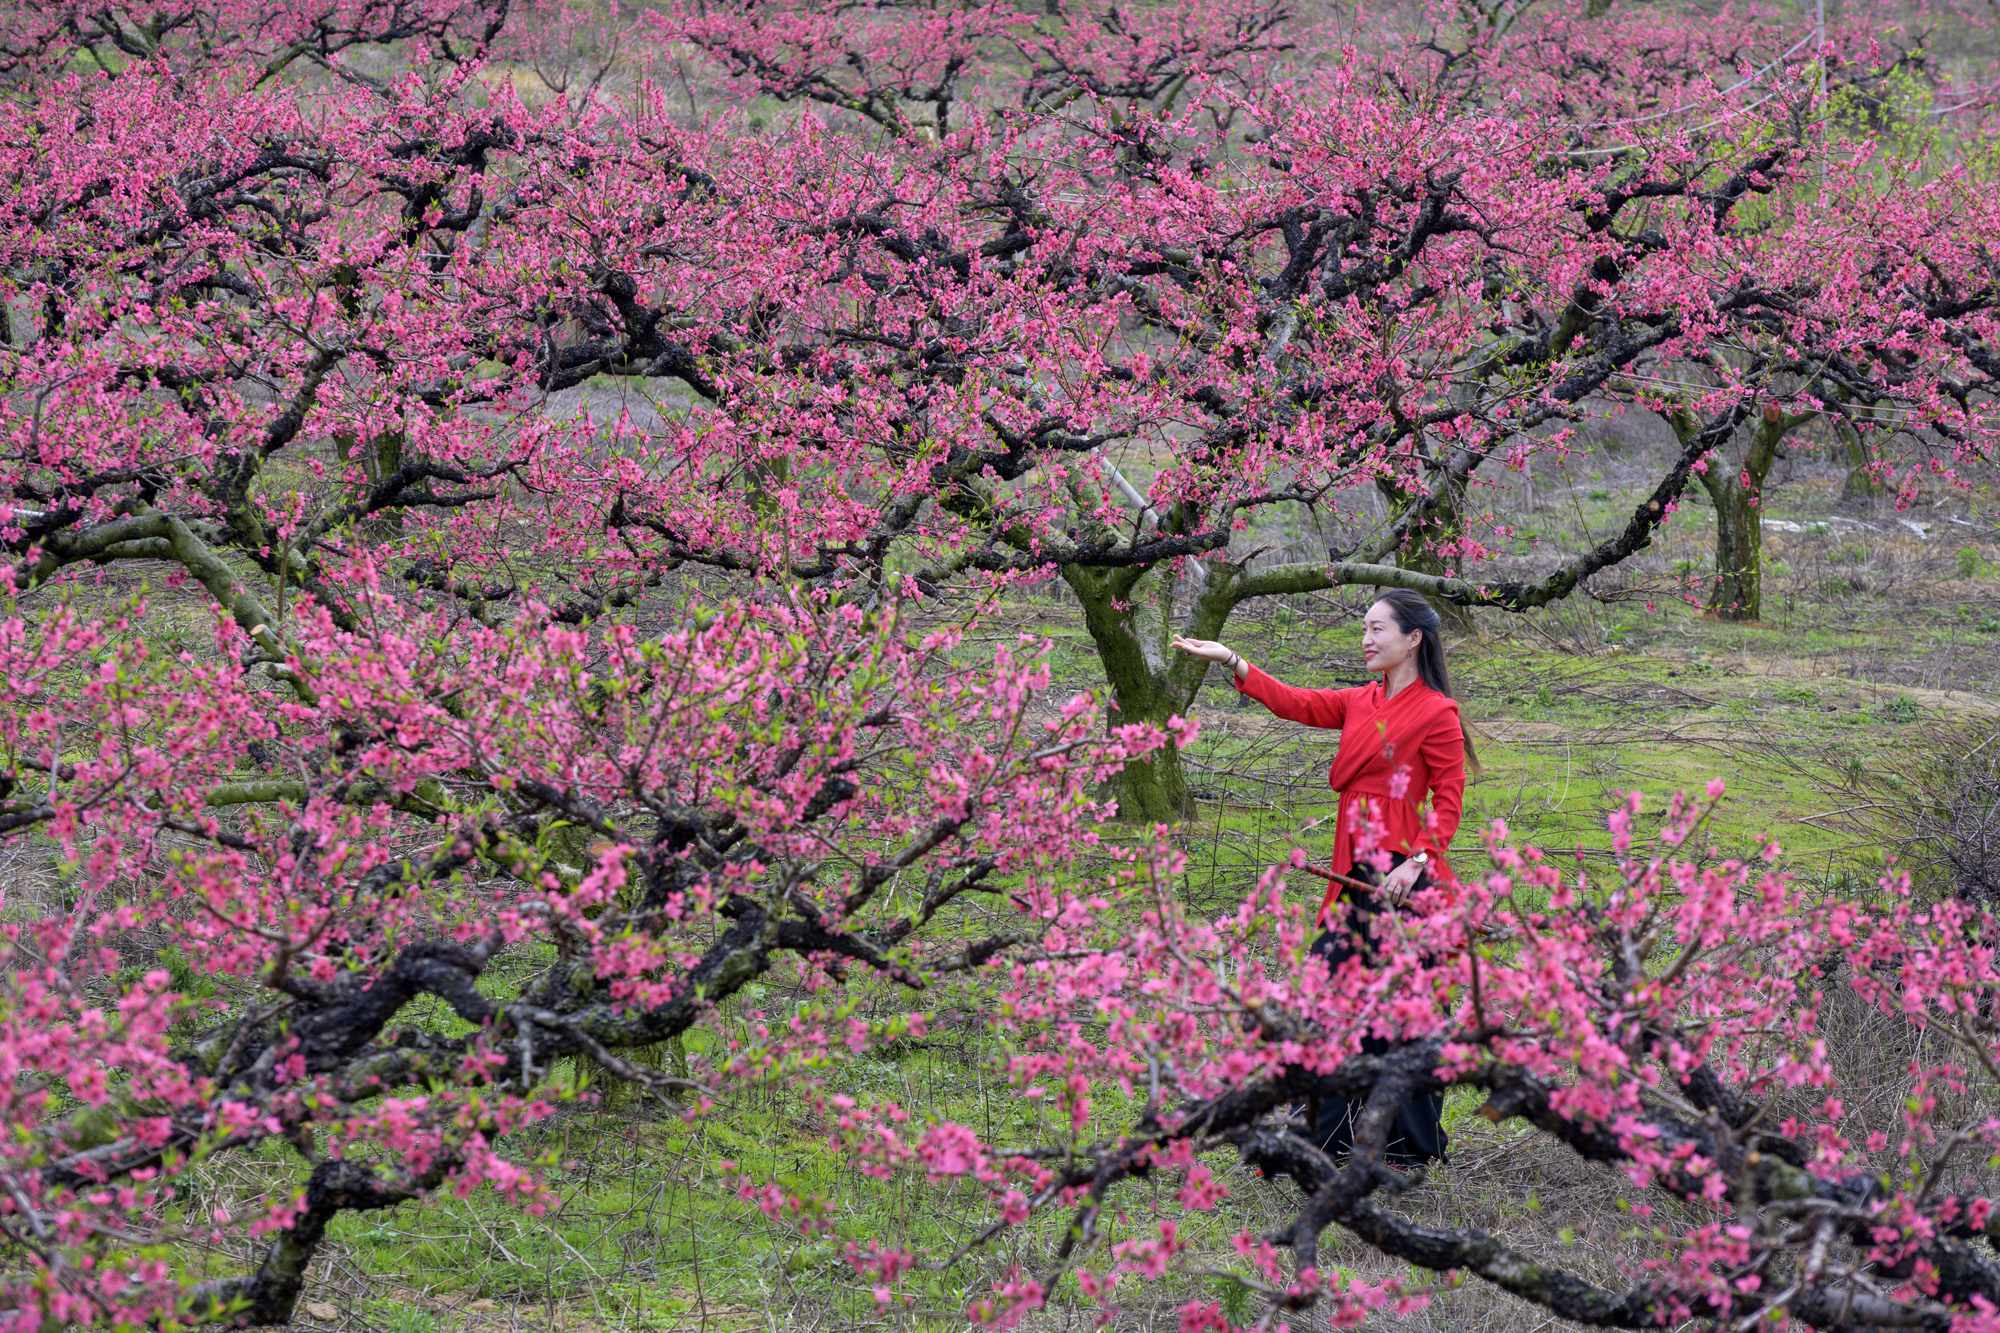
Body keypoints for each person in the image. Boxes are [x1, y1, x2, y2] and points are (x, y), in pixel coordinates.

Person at [1170, 588, 1475, 1168]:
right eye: (1364, 627)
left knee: (1406, 1012)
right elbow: (1295, 702)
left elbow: (1449, 799)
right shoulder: (1360, 700)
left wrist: (1418, 861)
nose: (1366, 639)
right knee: (1331, 1004)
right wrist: (1232, 660)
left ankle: (1406, 1146)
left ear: (1412, 638)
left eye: (1377, 628)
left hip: (1400, 879)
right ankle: (1325, 1137)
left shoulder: (1438, 712)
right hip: (1351, 873)